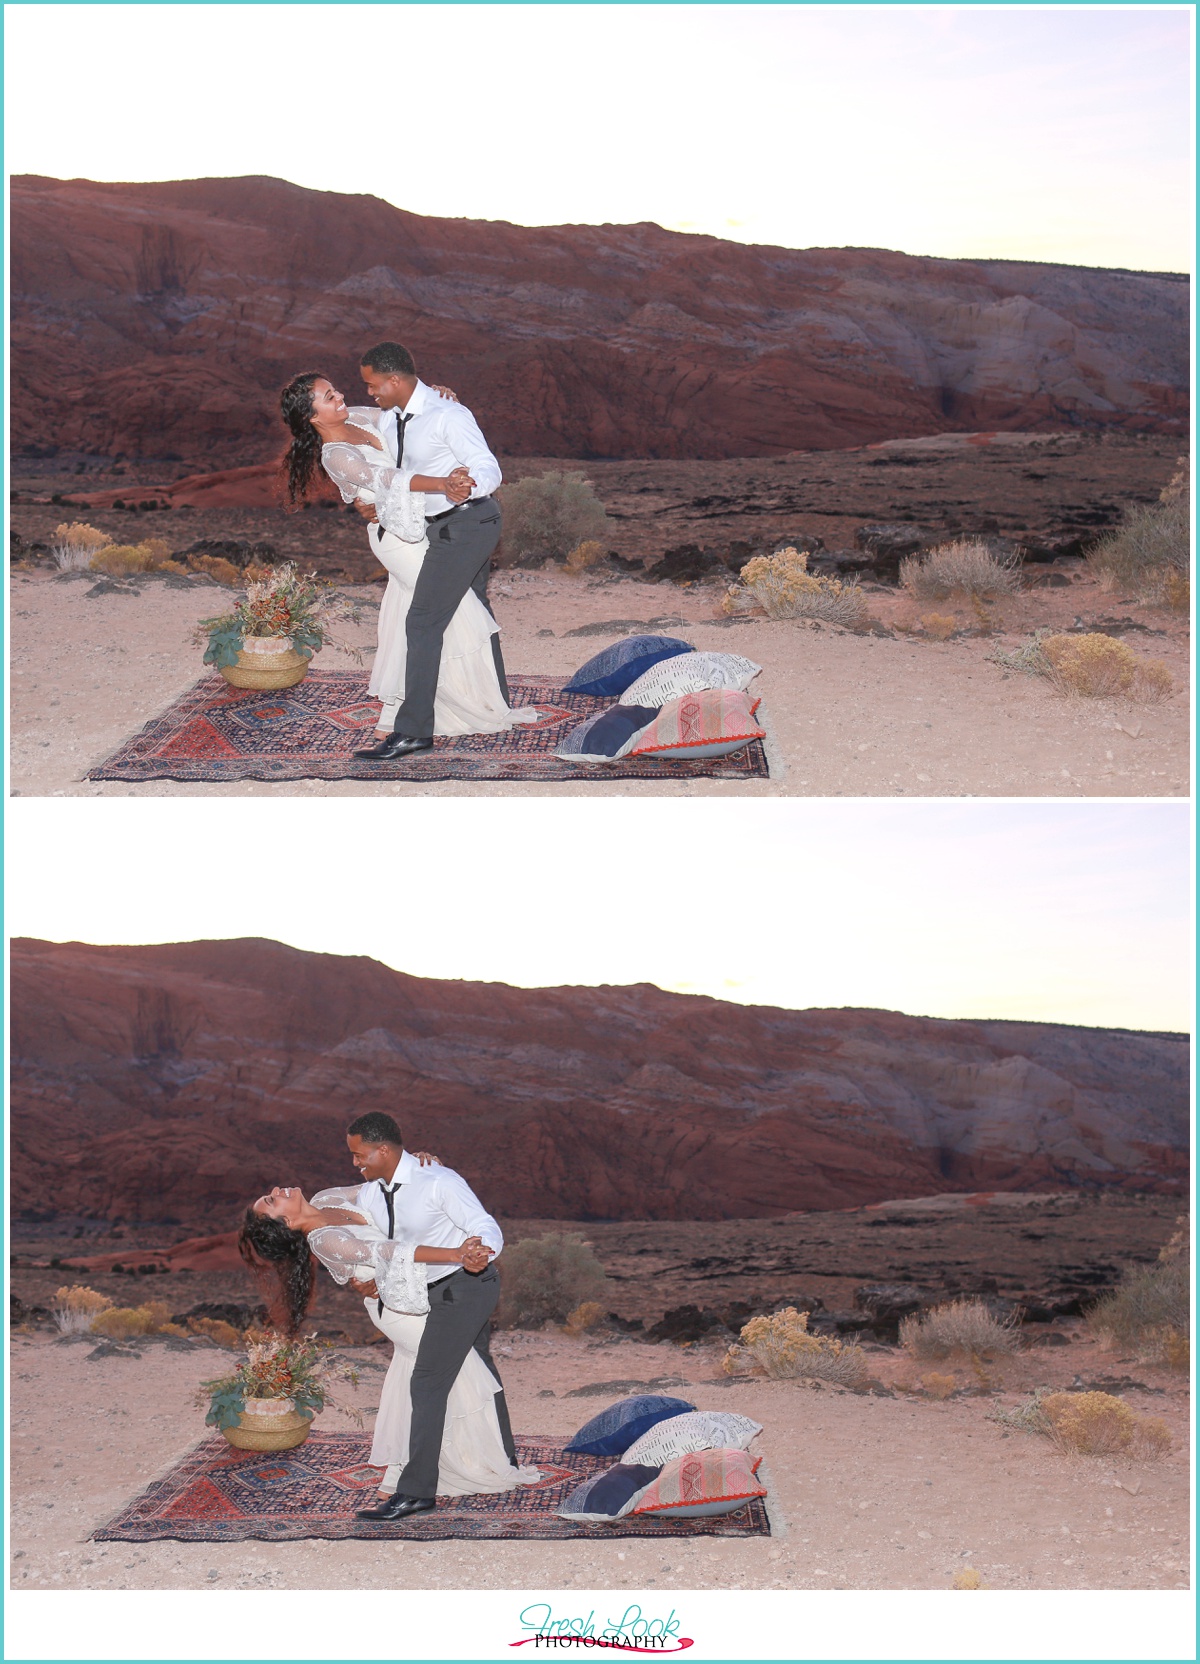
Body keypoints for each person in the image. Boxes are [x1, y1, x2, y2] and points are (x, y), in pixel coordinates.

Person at [239, 1174, 538, 1505]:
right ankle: (441, 1470)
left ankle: (404, 1473)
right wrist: (455, 1254)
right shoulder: (323, 1239)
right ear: (288, 1221)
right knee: (454, 1374)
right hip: (399, 1313)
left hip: (418, 1296)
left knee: (433, 1375)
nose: (275, 1191)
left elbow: (384, 1184)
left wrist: (419, 1164)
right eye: (271, 1200)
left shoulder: (327, 1197)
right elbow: (385, 1251)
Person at [279, 371, 535, 742]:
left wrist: (435, 395)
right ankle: (453, 708)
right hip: (396, 539)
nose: (339, 396)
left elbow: (406, 414)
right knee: (456, 610)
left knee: (422, 610)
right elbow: (387, 480)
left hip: (420, 527)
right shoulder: (336, 455)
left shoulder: (359, 417)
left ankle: (418, 707)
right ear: (313, 417)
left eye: (334, 389)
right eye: (328, 396)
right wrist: (442, 484)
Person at [350, 341, 513, 760]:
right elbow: (387, 467)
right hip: (431, 527)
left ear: (394, 379)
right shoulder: (388, 419)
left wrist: (466, 484)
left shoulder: (449, 415)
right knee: (473, 606)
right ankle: (495, 703)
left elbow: (487, 464)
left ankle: (413, 731)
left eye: (372, 385)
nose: (369, 393)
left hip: (469, 522)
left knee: (421, 621)